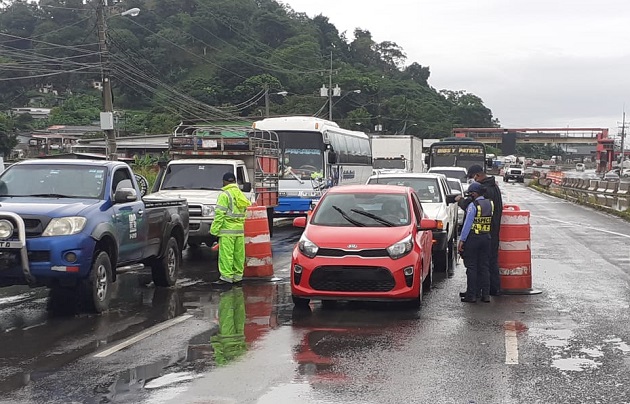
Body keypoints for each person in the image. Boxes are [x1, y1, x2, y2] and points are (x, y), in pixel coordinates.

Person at [456, 164, 504, 296]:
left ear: (478, 175)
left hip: (481, 233)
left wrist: (460, 201)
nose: (472, 180)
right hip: (490, 232)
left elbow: (471, 208)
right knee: (488, 262)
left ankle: (476, 292)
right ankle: (488, 292)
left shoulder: (485, 190)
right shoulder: (494, 187)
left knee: (477, 264)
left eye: (472, 177)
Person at [210, 172, 252, 287]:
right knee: (238, 254)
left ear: (225, 181)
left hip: (227, 231)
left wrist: (214, 231)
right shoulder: (240, 194)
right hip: (239, 230)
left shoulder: (225, 195)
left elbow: (219, 215)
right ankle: (238, 278)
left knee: (226, 255)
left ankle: (226, 279)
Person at [457, 181, 493, 303]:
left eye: (471, 193)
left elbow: (467, 225)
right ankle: (485, 295)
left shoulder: (473, 206)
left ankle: (471, 295)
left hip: (473, 238)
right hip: (486, 238)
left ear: (475, 193)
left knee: (471, 267)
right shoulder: (490, 204)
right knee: (484, 267)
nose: (469, 196)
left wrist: (462, 240)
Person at [210, 286, 247, 365]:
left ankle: (236, 290)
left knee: (237, 312)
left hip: (239, 338)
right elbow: (218, 352)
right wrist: (214, 340)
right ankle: (230, 291)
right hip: (226, 338)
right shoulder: (223, 366)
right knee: (229, 313)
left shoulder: (241, 366)